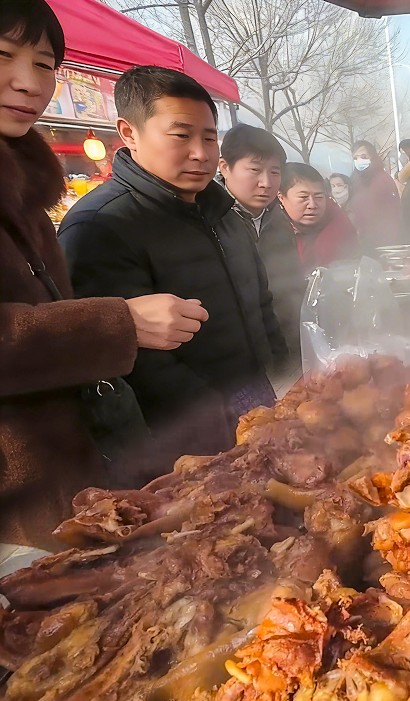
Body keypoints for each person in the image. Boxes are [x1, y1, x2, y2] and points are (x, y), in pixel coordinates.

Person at [0, 1, 206, 545]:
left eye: (44, 64)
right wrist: (119, 324)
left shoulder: (24, 191)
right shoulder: (98, 219)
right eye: (3, 55)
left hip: (77, 469)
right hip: (17, 503)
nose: (29, 83)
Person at [61, 66, 285, 474]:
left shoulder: (223, 212)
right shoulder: (100, 226)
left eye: (209, 138)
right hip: (182, 429)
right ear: (129, 133)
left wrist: (280, 367)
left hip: (255, 391)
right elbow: (125, 357)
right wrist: (212, 414)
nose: (200, 153)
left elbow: (259, 297)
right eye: (181, 136)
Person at [218, 124, 305, 374]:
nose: (266, 183)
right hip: (237, 363)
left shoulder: (280, 221)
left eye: (275, 172)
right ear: (225, 167)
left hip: (287, 349)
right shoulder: (209, 221)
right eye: (255, 170)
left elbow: (291, 287)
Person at [281, 162, 359, 272]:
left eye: (319, 197)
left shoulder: (339, 224)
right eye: (303, 197)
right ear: (281, 197)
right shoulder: (268, 225)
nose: (312, 205)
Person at [347, 139, 400, 248]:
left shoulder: (383, 179)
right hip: (361, 237)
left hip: (383, 239)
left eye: (363, 156)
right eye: (355, 158)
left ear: (372, 156)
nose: (359, 160)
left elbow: (394, 210)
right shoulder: (354, 179)